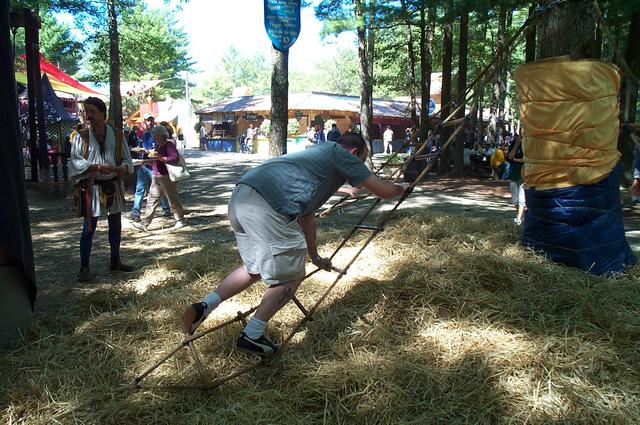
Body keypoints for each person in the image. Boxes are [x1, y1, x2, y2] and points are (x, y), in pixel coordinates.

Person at [180, 132, 411, 356]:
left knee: (254, 268)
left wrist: (315, 256)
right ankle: (252, 334)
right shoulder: (341, 154)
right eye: (361, 160)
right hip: (266, 207)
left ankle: (205, 307)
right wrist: (401, 188)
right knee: (291, 275)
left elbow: (306, 217)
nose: (359, 167)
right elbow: (384, 191)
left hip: (241, 198)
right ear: (353, 152)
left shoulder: (316, 159)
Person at [68, 97, 135, 283]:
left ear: (102, 113)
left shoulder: (118, 135)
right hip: (92, 186)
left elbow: (127, 160)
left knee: (115, 226)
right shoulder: (81, 135)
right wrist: (95, 167)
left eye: (92, 111)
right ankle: (84, 267)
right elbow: (74, 161)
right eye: (86, 111)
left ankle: (115, 261)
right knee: (88, 229)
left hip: (113, 185)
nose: (88, 115)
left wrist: (122, 168)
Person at [131, 125, 186, 232]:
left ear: (161, 135)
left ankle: (180, 220)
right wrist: (142, 162)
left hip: (166, 176)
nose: (154, 137)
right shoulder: (159, 146)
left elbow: (174, 157)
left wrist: (161, 158)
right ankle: (145, 223)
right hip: (156, 176)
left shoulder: (168, 145)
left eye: (155, 135)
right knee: (151, 200)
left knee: (173, 199)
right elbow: (155, 160)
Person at [130, 115, 171, 222]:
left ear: (154, 122)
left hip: (154, 166)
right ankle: (135, 212)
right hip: (143, 165)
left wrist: (147, 151)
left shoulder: (158, 134)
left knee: (159, 188)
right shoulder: (144, 135)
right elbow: (140, 147)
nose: (149, 123)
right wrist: (139, 151)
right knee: (140, 189)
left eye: (151, 120)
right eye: (147, 121)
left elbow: (160, 150)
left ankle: (166, 209)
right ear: (144, 122)